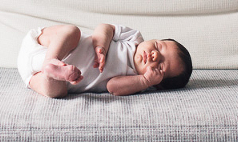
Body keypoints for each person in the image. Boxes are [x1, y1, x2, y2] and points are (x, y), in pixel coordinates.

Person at [17, 23, 192, 98]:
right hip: (46, 45)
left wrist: (144, 81)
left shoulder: (136, 81)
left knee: (57, 93)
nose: (155, 55)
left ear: (158, 83)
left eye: (161, 65)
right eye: (159, 46)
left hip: (34, 76)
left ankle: (52, 72)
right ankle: (52, 61)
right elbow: (105, 28)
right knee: (72, 31)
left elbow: (112, 87)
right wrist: (101, 45)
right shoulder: (134, 38)